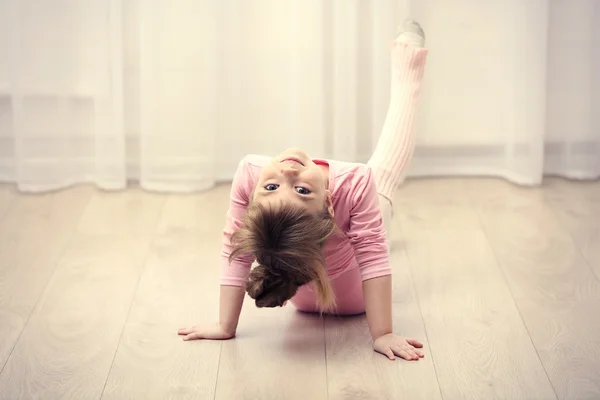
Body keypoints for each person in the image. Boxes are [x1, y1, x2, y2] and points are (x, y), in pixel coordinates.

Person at [178, 19, 429, 361]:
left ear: (253, 195)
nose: (288, 171)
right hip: (348, 301)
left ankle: (363, 224)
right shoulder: (355, 179)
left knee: (362, 216)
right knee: (379, 180)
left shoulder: (250, 171)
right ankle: (408, 70)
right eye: (300, 190)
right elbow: (372, 255)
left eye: (272, 186)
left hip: (297, 290)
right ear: (329, 203)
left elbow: (234, 247)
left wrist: (226, 324)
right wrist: (382, 333)